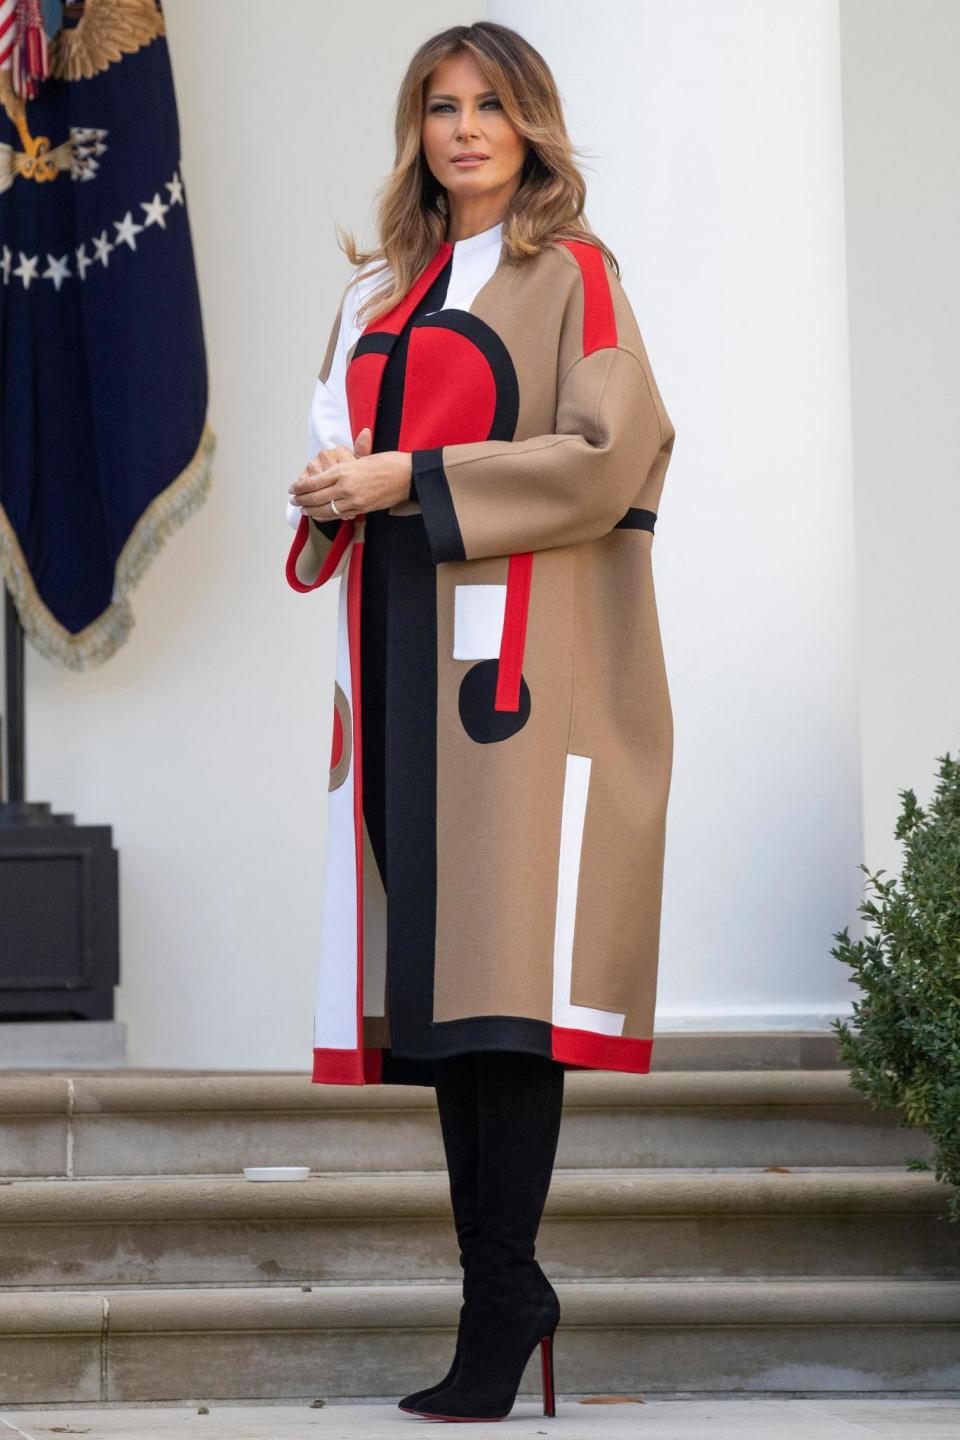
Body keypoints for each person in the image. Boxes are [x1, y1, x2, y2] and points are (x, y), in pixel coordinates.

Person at [285, 19, 675, 1424]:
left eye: (489, 107)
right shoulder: (376, 291)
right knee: (449, 1008)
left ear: (531, 126)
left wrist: (411, 476)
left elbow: (610, 450)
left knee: (505, 1000)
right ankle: (502, 1288)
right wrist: (339, 486)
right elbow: (344, 452)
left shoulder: (571, 272)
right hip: (397, 656)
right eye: (439, 107)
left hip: (513, 672)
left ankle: (501, 1297)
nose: (462, 130)